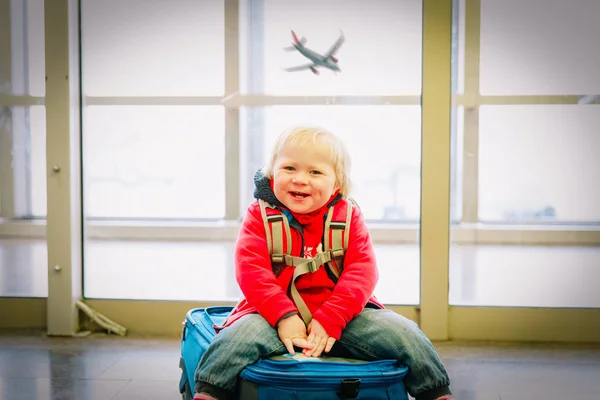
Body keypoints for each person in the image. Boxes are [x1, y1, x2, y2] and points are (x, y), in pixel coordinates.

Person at [193, 125, 453, 400]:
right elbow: (251, 271)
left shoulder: (349, 216)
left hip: (344, 316)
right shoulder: (259, 215)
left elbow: (361, 272)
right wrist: (284, 316)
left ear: (337, 184)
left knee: (404, 332)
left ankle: (435, 392)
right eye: (289, 168)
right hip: (270, 315)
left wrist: (331, 319)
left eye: (315, 172)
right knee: (235, 339)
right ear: (272, 173)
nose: (300, 179)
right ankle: (209, 393)